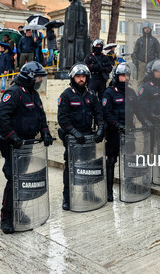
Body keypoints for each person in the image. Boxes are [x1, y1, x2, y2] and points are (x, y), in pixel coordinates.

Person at [0, 62, 53, 233]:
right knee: (13, 181)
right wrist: (13, 137)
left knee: (21, 181)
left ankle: (18, 211)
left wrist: (45, 132)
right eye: (38, 77)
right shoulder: (14, 93)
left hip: (27, 145)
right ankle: (6, 218)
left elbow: (40, 114)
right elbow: (1, 117)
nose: (40, 80)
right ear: (29, 77)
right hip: (13, 146)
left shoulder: (33, 94)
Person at [57, 63, 105, 210]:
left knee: (89, 166)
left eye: (83, 76)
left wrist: (100, 128)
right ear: (73, 78)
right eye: (78, 76)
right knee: (71, 167)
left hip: (88, 137)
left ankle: (88, 193)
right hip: (73, 138)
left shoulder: (91, 94)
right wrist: (73, 132)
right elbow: (62, 118)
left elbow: (99, 114)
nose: (81, 79)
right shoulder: (66, 95)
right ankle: (67, 197)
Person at [102, 63, 140, 202]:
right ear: (117, 77)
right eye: (123, 75)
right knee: (111, 161)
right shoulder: (109, 93)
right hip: (114, 133)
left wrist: (146, 121)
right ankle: (109, 191)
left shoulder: (131, 92)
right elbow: (107, 113)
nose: (126, 78)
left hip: (129, 132)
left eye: (127, 75)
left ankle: (129, 185)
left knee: (129, 159)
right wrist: (117, 125)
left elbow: (138, 110)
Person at [137, 60, 160, 128]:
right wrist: (150, 116)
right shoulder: (145, 87)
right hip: (151, 122)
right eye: (157, 71)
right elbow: (141, 106)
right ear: (151, 72)